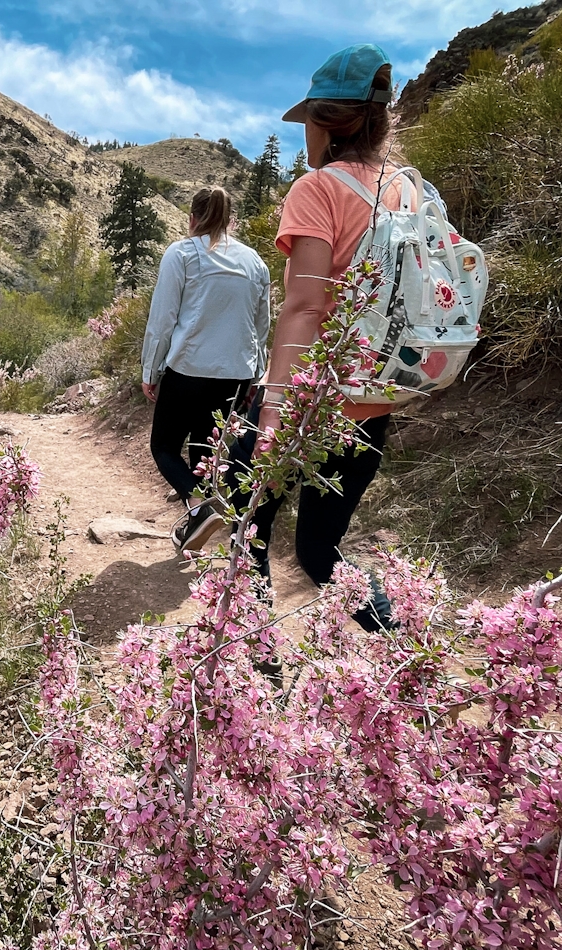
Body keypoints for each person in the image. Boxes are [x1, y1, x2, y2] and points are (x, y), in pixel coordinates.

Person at [247, 42, 404, 632]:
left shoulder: (318, 190)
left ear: (325, 121)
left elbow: (304, 306)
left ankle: (251, 679)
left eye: (307, 121)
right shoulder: (411, 191)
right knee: (319, 551)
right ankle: (410, 658)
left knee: (241, 527)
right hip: (377, 398)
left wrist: (273, 411)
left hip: (315, 402)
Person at [141, 186, 273, 553]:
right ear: (231, 220)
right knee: (204, 450)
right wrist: (255, 375)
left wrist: (151, 370)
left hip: (189, 370)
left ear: (192, 219)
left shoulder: (181, 254)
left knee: (164, 447)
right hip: (235, 375)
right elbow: (261, 326)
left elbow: (162, 320)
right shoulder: (255, 263)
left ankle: (199, 508)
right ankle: (197, 527)